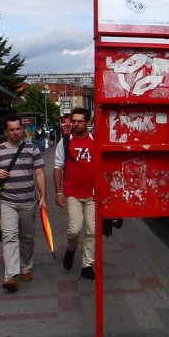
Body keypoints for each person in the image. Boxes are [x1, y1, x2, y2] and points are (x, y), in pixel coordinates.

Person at [0, 112, 47, 292]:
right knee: (10, 236)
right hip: (7, 201)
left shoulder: (32, 149)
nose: (15, 132)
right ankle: (11, 275)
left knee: (27, 238)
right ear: (6, 131)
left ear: (22, 129)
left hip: (28, 201)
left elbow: (40, 173)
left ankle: (26, 267)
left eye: (18, 129)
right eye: (11, 130)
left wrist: (43, 196)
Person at [53, 107, 96, 280]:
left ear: (88, 122)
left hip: (93, 194)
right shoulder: (65, 142)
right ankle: (71, 249)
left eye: (80, 121)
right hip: (72, 194)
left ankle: (87, 264)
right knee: (74, 230)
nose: (75, 124)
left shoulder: (96, 140)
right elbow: (57, 167)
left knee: (92, 230)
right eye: (73, 121)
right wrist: (58, 192)